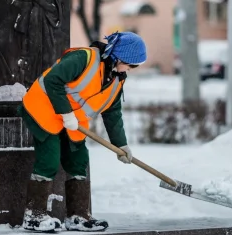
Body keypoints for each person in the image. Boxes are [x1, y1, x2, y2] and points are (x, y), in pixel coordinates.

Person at [17, 31, 147, 233]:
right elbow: (52, 80)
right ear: (117, 56)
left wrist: (120, 145)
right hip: (44, 109)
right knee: (49, 159)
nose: (130, 70)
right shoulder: (83, 58)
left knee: (79, 160)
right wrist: (65, 113)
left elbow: (112, 113)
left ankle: (77, 216)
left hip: (74, 121)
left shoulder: (117, 79)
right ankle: (34, 215)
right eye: (130, 65)